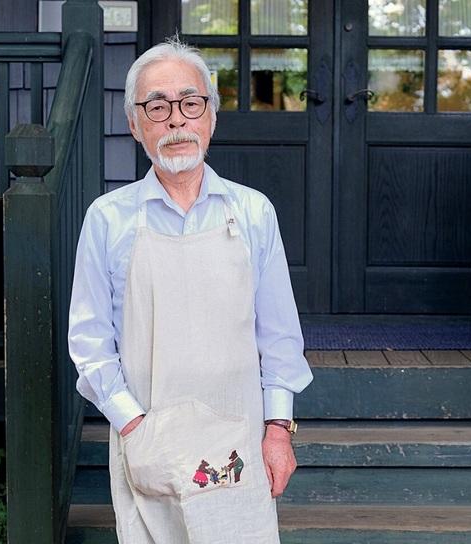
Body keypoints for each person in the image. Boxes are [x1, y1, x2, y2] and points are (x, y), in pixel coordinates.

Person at [67, 36, 313, 543]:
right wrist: (133, 425)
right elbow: (90, 343)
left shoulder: (252, 213)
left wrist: (277, 429)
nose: (176, 120)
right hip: (148, 435)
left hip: (237, 441)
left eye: (190, 103)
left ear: (211, 117)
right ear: (135, 125)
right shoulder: (108, 219)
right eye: (157, 107)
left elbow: (280, 337)